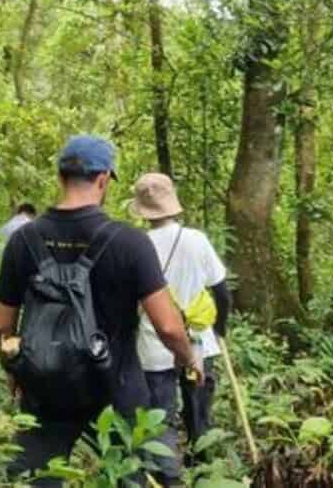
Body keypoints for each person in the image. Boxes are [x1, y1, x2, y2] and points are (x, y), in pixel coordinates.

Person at [0, 135, 202, 486]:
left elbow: (2, 325)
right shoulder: (129, 242)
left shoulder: (22, 241)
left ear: (60, 178)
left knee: (36, 478)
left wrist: (14, 370)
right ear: (104, 179)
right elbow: (167, 326)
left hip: (46, 387)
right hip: (116, 386)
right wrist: (189, 358)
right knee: (128, 475)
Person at [128, 172, 232, 471]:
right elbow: (222, 291)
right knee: (199, 414)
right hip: (198, 343)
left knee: (160, 417)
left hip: (154, 346)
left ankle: (165, 475)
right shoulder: (196, 240)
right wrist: (220, 328)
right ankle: (203, 472)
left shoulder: (138, 245)